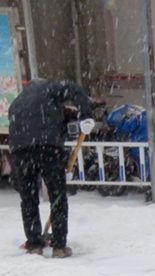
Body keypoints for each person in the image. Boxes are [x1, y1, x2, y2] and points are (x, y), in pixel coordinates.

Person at [9, 78, 94, 258]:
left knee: (28, 199)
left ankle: (34, 245)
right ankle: (59, 246)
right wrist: (86, 115)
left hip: (21, 152)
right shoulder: (51, 89)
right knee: (57, 196)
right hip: (48, 148)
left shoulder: (16, 102)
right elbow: (75, 89)